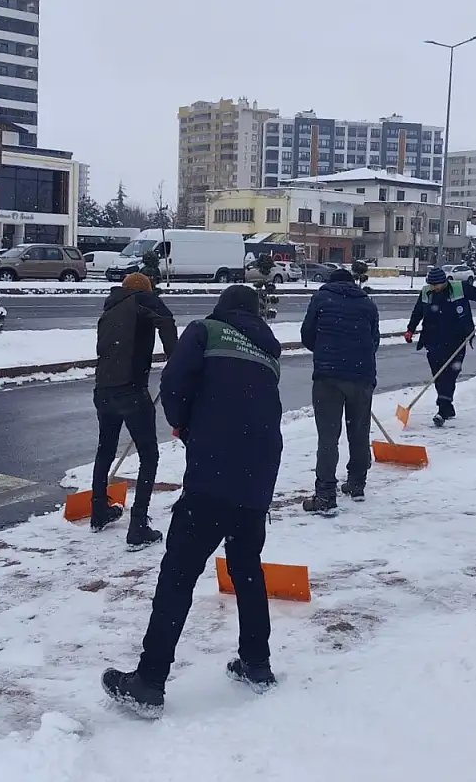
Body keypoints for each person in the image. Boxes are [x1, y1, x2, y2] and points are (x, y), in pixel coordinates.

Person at [102, 284, 283, 718]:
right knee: (247, 569)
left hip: (213, 476)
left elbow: (174, 383)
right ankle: (256, 664)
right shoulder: (269, 352)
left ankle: (148, 681)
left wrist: (183, 424)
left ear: (221, 307)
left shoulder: (205, 331)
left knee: (178, 575)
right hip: (258, 478)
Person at [91, 272, 179, 547]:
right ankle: (138, 525)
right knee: (149, 455)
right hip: (130, 390)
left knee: (105, 448)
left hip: (102, 390)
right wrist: (175, 361)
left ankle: (98, 511)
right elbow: (167, 321)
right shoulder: (143, 299)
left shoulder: (111, 308)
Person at [300, 267, 380, 513]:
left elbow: (307, 335)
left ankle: (325, 494)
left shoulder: (322, 298)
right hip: (362, 376)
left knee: (327, 437)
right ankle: (357, 483)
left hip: (328, 377)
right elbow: (374, 340)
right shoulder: (367, 303)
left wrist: (327, 353)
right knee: (359, 431)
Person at [404, 267, 476, 426]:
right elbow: (418, 312)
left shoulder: (460, 288)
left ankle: (442, 409)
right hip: (433, 339)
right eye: (432, 285)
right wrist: (410, 329)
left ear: (445, 281)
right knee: (438, 375)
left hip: (457, 338)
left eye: (438, 284)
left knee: (450, 373)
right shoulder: (426, 292)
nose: (435, 288)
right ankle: (448, 406)